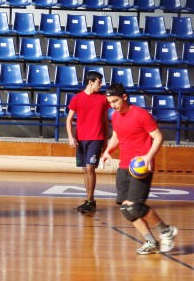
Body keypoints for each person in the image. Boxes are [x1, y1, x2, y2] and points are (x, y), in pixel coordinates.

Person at [101, 83, 178, 255]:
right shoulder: (115, 116)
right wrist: (108, 151)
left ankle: (166, 231)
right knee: (125, 209)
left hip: (141, 167)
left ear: (125, 97)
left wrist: (149, 156)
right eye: (110, 102)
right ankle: (151, 242)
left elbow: (158, 137)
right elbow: (116, 136)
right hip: (124, 166)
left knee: (135, 207)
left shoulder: (140, 114)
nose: (112, 105)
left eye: (115, 101)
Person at [66, 71, 110, 214]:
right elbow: (69, 119)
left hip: (96, 138)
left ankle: (91, 201)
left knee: (90, 168)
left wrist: (106, 141)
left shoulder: (103, 99)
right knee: (85, 169)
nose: (101, 85)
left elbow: (105, 121)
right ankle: (89, 200)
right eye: (99, 82)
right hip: (81, 139)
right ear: (91, 82)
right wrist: (70, 137)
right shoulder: (77, 98)